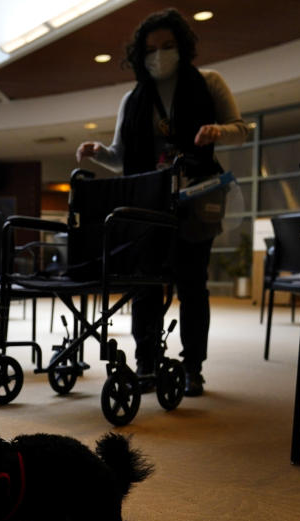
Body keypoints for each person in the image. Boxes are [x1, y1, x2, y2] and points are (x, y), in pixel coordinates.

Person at [76, 8, 248, 397]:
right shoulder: (132, 99)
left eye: (168, 46)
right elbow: (120, 157)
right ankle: (147, 362)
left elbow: (240, 129)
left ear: (182, 47)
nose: (160, 55)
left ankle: (193, 368)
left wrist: (217, 130)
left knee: (192, 283)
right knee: (145, 284)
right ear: (140, 54)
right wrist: (97, 151)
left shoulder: (209, 83)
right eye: (152, 49)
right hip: (148, 202)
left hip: (199, 195)